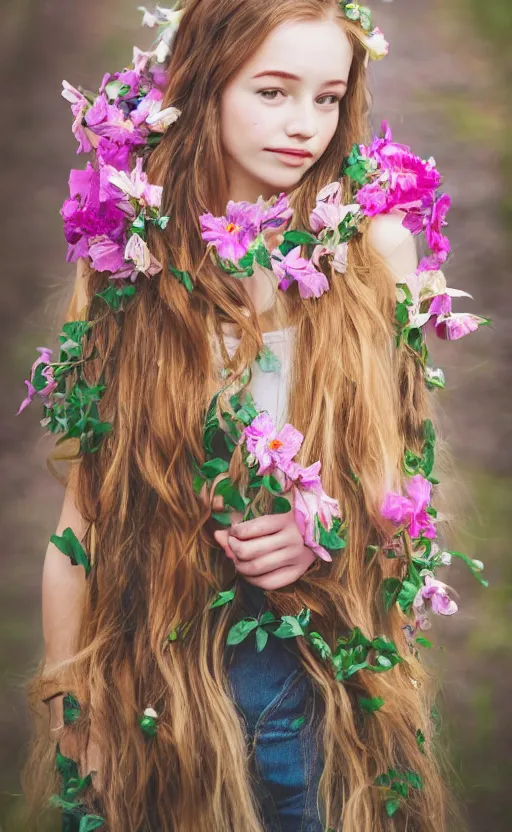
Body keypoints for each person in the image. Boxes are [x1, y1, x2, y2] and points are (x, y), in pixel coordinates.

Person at [19, 1, 488, 830]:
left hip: (314, 682)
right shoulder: (128, 267)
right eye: (272, 92)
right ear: (203, 88)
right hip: (153, 680)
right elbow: (79, 530)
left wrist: (327, 526)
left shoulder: (372, 250)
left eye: (327, 97)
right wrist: (73, 713)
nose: (305, 124)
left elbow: (402, 484)